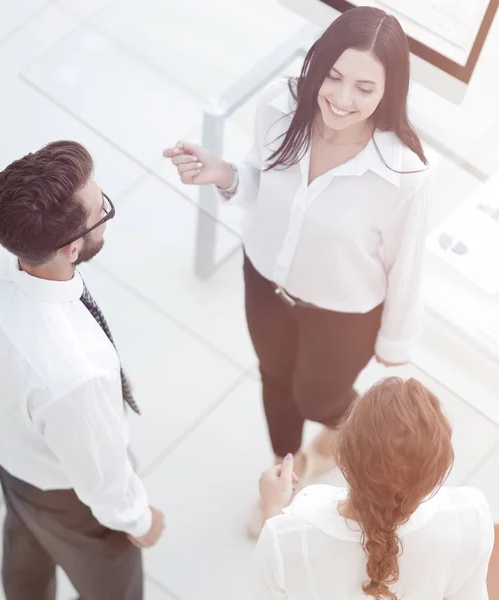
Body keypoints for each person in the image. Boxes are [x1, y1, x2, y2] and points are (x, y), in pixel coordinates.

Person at [163, 5, 432, 536]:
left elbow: (407, 265)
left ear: (389, 92)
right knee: (274, 383)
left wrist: (395, 343)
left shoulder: (402, 173)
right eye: (332, 76)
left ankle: (348, 436)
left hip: (343, 314)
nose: (340, 98)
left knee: (319, 398)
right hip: (264, 281)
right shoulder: (281, 106)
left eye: (363, 87)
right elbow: (263, 184)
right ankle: (281, 491)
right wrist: (225, 174)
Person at [0, 141, 165, 600]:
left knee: (24, 549)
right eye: (102, 212)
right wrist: (139, 519)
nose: (106, 210)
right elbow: (100, 475)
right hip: (66, 496)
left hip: (12, 461)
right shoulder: (77, 373)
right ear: (70, 248)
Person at [254, 377, 494, 600]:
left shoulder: (286, 536)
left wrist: (272, 508)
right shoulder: (471, 517)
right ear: (436, 472)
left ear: (343, 454)